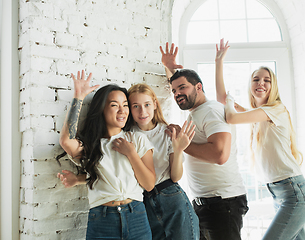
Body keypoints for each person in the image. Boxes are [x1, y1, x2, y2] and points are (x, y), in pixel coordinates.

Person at [215, 39, 305, 240]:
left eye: (266, 80)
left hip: (295, 193)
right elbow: (222, 101)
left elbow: (231, 116)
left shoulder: (276, 110)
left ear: (273, 86)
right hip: (281, 194)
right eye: (256, 79)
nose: (261, 83)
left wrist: (231, 101)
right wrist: (219, 62)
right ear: (250, 84)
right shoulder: (256, 114)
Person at [160, 42, 248, 240]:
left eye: (182, 88)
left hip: (222, 203)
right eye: (173, 91)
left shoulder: (212, 110)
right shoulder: (197, 112)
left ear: (199, 87)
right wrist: (170, 68)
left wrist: (181, 143)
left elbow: (220, 154)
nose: (177, 94)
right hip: (208, 203)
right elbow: (181, 85)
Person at [57, 70, 156, 240]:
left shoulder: (137, 139)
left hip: (136, 217)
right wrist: (78, 97)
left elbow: (148, 184)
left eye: (125, 105)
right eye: (114, 105)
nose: (122, 110)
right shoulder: (90, 145)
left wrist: (131, 154)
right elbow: (66, 141)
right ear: (101, 109)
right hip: (102, 220)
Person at [127, 83, 200, 240]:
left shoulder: (167, 132)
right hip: (143, 202)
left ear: (154, 104)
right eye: (136, 106)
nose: (142, 111)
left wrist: (178, 150)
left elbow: (175, 177)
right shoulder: (127, 136)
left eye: (147, 104)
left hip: (171, 198)